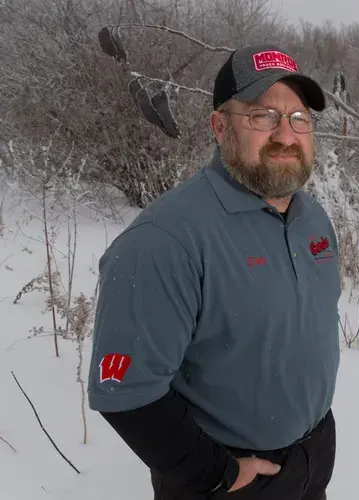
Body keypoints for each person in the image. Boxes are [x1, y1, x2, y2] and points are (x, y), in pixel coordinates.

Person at [87, 44, 342, 500]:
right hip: (227, 480)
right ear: (220, 126)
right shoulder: (164, 240)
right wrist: (215, 473)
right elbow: (123, 390)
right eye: (262, 116)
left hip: (311, 463)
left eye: (299, 118)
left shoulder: (313, 219)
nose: (286, 134)